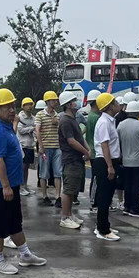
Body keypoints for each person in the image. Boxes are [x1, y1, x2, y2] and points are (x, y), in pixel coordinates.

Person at [0, 88, 47, 274]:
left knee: (15, 222)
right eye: (7, 107)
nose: (12, 110)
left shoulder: (7, 127)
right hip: (1, 186)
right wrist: (5, 186)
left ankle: (25, 255)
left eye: (13, 106)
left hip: (11, 185)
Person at [57, 92, 90, 230]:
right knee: (68, 190)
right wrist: (85, 152)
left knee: (73, 190)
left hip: (76, 159)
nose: (77, 103)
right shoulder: (65, 121)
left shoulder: (73, 120)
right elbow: (71, 141)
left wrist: (87, 149)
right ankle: (65, 217)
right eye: (74, 101)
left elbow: (80, 138)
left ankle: (70, 214)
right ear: (68, 105)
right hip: (70, 159)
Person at [91, 93, 122, 242]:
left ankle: (102, 224)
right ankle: (103, 230)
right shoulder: (104, 122)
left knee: (108, 196)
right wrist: (110, 166)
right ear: (110, 107)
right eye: (115, 102)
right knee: (104, 197)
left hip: (109, 161)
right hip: (104, 162)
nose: (118, 104)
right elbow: (104, 145)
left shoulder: (110, 121)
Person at [35, 90, 62, 207]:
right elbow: (37, 130)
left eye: (56, 100)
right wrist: (41, 146)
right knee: (44, 172)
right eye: (53, 100)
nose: (55, 102)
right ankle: (44, 196)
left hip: (57, 147)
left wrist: (57, 123)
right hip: (45, 147)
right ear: (47, 101)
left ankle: (58, 196)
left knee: (58, 172)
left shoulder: (57, 115)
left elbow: (60, 131)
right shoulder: (40, 115)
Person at [84, 90, 101, 211]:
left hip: (93, 150)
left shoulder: (91, 116)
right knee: (96, 178)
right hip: (95, 152)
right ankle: (94, 203)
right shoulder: (95, 118)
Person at [15, 97, 36, 196]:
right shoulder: (20, 117)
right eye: (27, 104)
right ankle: (20, 186)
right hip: (22, 145)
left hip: (30, 145)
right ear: (23, 106)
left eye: (30, 104)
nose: (29, 106)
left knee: (27, 166)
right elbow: (20, 130)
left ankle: (25, 185)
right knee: (22, 166)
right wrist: (31, 128)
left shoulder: (33, 118)